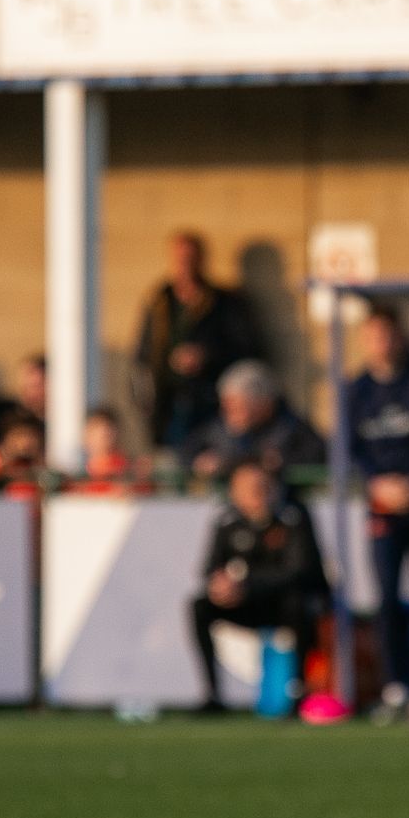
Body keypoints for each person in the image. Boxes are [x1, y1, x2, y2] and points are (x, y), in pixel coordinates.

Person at [345, 305, 409, 721]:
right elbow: (350, 449)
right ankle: (396, 685)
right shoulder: (356, 391)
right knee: (387, 597)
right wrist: (377, 483)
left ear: (399, 337)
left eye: (388, 334)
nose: (382, 343)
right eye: (374, 336)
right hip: (383, 509)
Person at [191, 461, 330, 714]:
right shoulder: (227, 520)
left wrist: (248, 585)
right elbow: (210, 567)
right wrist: (220, 585)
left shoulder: (293, 517)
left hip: (284, 604)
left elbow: (298, 571)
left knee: (297, 604)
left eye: (261, 486)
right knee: (199, 606)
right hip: (245, 604)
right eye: (246, 488)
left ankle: (298, 690)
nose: (255, 494)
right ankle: (213, 694)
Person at [134, 230, 261, 451]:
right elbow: (143, 356)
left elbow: (249, 351)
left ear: (202, 260)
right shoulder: (159, 303)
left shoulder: (224, 303)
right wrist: (147, 403)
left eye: (191, 258)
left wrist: (206, 356)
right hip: (169, 406)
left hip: (211, 405)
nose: (185, 265)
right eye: (180, 259)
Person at [185, 360, 324, 483]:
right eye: (226, 406)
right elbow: (186, 451)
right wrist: (201, 461)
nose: (228, 413)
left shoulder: (292, 428)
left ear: (264, 404)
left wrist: (283, 461)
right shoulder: (217, 428)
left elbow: (318, 456)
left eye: (238, 407)